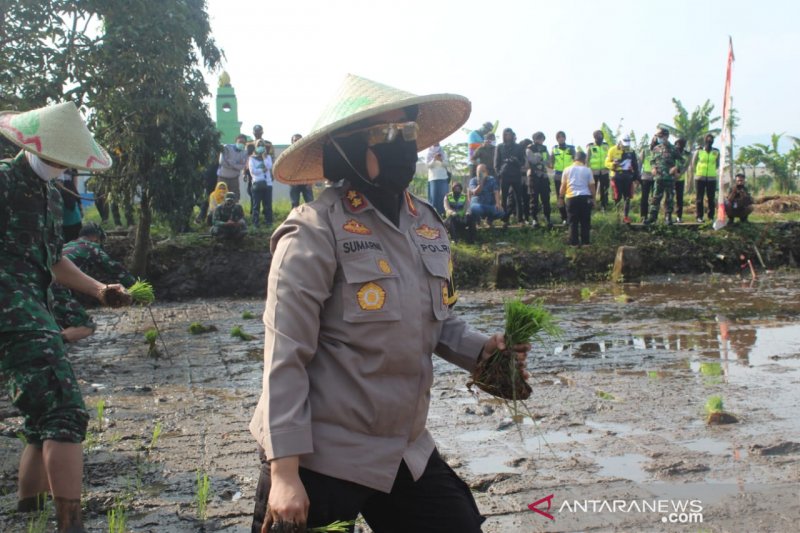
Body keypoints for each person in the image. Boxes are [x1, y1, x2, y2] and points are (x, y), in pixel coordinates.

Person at [252, 74, 529, 533]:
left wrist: (484, 352)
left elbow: (435, 320)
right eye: (384, 135)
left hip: (402, 447)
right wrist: (285, 474)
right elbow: (284, 356)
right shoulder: (313, 233)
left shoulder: (426, 223)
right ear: (347, 148)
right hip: (323, 451)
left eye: (407, 132)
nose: (402, 146)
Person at [0, 101, 130, 532]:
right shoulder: (2, 181)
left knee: (41, 416)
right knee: (66, 411)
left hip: (36, 309)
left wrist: (97, 289)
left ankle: (28, 511)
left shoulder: (52, 196)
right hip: (12, 314)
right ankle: (70, 524)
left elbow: (54, 260)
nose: (63, 166)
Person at [52, 223, 136, 343]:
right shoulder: (91, 247)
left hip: (40, 285)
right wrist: (135, 287)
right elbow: (115, 269)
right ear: (96, 238)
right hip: (57, 287)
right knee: (86, 325)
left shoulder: (66, 245)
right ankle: (52, 342)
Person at [646, 127, 683, 225]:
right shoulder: (656, 148)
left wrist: (676, 168)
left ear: (666, 136)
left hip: (669, 178)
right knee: (655, 198)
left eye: (661, 136)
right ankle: (652, 217)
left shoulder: (673, 149)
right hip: (658, 177)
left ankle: (668, 217)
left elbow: (682, 160)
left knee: (669, 198)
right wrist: (653, 168)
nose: (659, 138)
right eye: (658, 136)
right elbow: (652, 161)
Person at [559, 151, 596, 246]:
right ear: (584, 159)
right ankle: (586, 243)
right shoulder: (587, 170)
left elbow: (563, 186)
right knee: (585, 222)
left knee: (572, 222)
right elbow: (592, 186)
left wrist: (561, 198)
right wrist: (594, 198)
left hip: (571, 198)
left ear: (574, 159)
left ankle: (574, 244)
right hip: (585, 198)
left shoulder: (567, 170)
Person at [494, 127, 525, 228]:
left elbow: (523, 161)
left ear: (512, 135)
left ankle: (520, 219)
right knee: (504, 198)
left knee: (518, 198)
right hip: (505, 175)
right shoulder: (500, 146)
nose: (508, 136)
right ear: (504, 135)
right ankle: (504, 219)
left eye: (510, 134)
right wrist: (499, 173)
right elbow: (496, 162)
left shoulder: (518, 147)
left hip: (516, 174)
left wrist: (516, 161)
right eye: (506, 134)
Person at [605, 136, 640, 224]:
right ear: (620, 142)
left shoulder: (631, 151)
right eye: (624, 144)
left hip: (628, 176)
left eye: (627, 145)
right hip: (616, 176)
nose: (625, 146)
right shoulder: (612, 150)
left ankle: (625, 216)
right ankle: (617, 216)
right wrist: (613, 164)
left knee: (627, 197)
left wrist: (636, 177)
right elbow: (606, 163)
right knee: (617, 196)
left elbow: (635, 164)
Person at [691, 133, 720, 223]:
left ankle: (711, 216)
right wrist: (697, 172)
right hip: (700, 178)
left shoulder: (716, 151)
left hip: (712, 178)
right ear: (705, 141)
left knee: (711, 198)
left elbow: (718, 164)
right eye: (708, 139)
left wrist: (713, 171)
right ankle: (699, 216)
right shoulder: (699, 151)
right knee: (699, 198)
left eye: (711, 140)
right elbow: (693, 162)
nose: (709, 141)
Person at [526, 131, 551, 228]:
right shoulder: (529, 148)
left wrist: (541, 160)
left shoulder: (545, 148)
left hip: (544, 176)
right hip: (534, 176)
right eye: (538, 138)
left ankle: (548, 218)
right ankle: (534, 219)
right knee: (534, 198)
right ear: (534, 139)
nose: (540, 140)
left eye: (542, 139)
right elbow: (532, 160)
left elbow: (548, 161)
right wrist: (540, 157)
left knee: (546, 198)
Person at [549, 131, 574, 224]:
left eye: (562, 137)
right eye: (559, 137)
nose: (561, 139)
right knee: (560, 197)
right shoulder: (554, 149)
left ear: (565, 138)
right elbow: (550, 163)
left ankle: (571, 216)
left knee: (570, 197)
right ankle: (563, 217)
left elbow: (576, 160)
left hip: (570, 175)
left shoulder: (571, 148)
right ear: (557, 139)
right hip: (558, 176)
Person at [249, 139, 274, 227]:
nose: (260, 147)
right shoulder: (252, 158)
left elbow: (269, 166)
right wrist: (262, 170)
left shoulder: (268, 157)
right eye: (258, 145)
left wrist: (264, 158)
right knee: (256, 205)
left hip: (268, 184)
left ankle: (269, 222)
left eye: (262, 145)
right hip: (257, 183)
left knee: (268, 204)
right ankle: (255, 223)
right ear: (255, 147)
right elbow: (253, 171)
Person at [54, 168, 83, 241]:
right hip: (59, 207)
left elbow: (74, 189)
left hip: (70, 207)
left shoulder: (72, 170)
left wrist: (79, 204)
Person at [217, 133, 248, 198]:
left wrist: (231, 163)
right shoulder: (227, 148)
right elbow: (222, 162)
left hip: (234, 178)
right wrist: (235, 165)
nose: (241, 144)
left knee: (235, 197)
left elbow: (242, 166)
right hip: (223, 177)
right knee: (220, 196)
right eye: (240, 142)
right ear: (236, 141)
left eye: (243, 143)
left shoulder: (244, 153)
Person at [586, 130, 610, 211]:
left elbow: (609, 157)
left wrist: (609, 166)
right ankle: (592, 206)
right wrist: (588, 170)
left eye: (601, 136)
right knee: (592, 189)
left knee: (604, 190)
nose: (600, 138)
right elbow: (587, 160)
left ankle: (604, 206)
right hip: (593, 172)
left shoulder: (606, 146)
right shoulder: (591, 147)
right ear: (595, 137)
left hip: (604, 171)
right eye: (598, 136)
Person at [288, 134, 314, 208]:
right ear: (292, 142)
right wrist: (290, 182)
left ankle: (311, 219)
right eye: (295, 140)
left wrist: (311, 181)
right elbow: (286, 170)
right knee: (294, 204)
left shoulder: (308, 153)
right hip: (294, 182)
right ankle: (294, 219)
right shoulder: (288, 155)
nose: (297, 142)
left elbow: (311, 167)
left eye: (299, 140)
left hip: (306, 181)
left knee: (311, 204)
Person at [425, 142, 449, 216]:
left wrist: (441, 160)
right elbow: (427, 165)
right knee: (434, 200)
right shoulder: (429, 152)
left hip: (443, 178)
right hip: (433, 178)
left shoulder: (443, 152)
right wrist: (434, 159)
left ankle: (443, 217)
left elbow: (446, 164)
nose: (436, 142)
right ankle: (433, 217)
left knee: (444, 198)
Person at [673, 138, 690, 223]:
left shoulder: (687, 154)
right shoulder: (671, 151)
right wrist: (674, 173)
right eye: (677, 144)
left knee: (679, 198)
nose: (678, 146)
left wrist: (680, 174)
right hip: (671, 178)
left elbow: (686, 166)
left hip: (681, 178)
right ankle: (667, 216)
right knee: (669, 197)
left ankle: (679, 216)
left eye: (680, 144)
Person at [638, 140, 654, 220]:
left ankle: (653, 216)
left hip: (656, 177)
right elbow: (639, 163)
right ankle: (643, 216)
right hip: (645, 177)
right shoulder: (645, 151)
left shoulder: (660, 151)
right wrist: (638, 176)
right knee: (644, 197)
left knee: (654, 197)